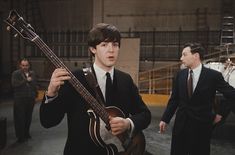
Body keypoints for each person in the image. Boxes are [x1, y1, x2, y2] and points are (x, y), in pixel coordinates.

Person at [40, 23, 151, 155]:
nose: (111, 50)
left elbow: (145, 114)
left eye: (115, 44)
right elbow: (48, 121)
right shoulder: (74, 79)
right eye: (104, 45)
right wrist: (51, 92)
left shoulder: (125, 80)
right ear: (93, 49)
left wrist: (128, 123)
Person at [159, 42, 235, 155]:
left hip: (202, 127)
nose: (181, 58)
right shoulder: (179, 75)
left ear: (196, 56)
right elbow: (174, 100)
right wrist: (165, 119)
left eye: (184, 54)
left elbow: (232, 94)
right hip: (181, 126)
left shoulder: (213, 76)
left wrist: (221, 114)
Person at [11, 58, 37, 143]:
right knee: (20, 118)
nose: (25, 67)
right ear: (20, 65)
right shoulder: (16, 73)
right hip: (19, 99)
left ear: (29, 66)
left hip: (30, 99)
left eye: (26, 65)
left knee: (28, 117)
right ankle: (20, 136)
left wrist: (35, 95)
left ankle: (26, 133)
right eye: (23, 65)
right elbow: (14, 84)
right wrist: (26, 80)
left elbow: (34, 85)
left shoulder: (32, 73)